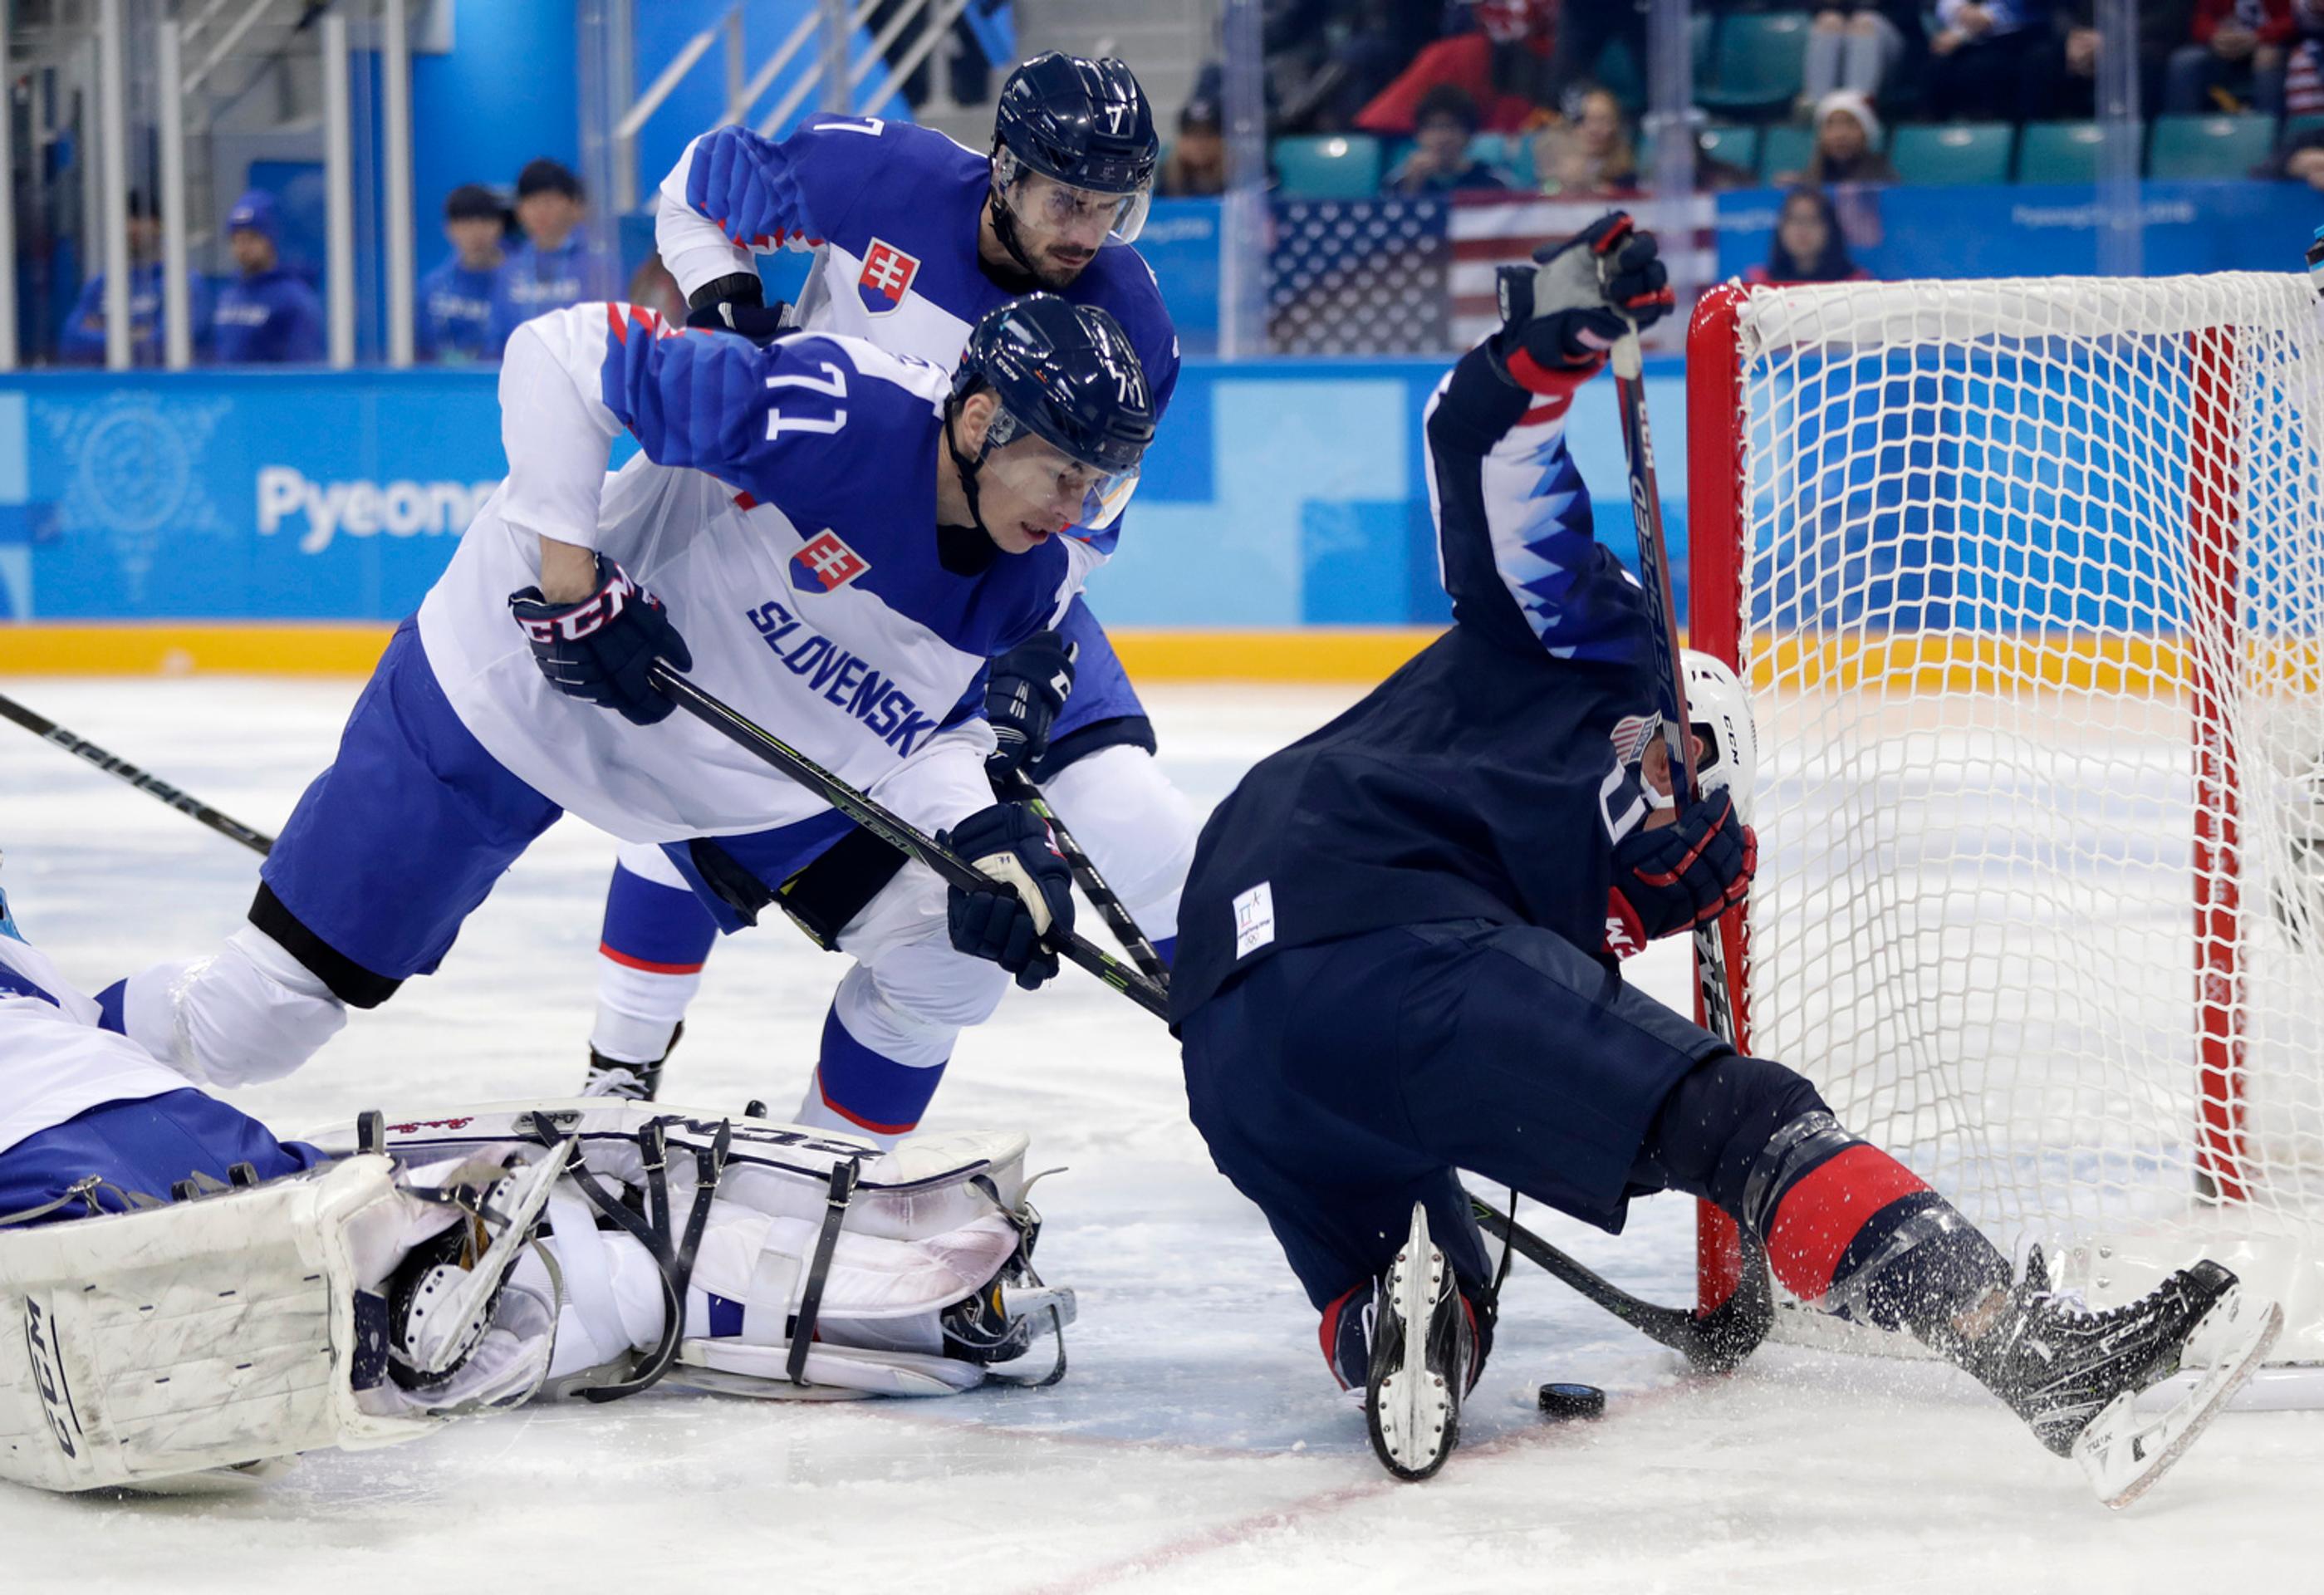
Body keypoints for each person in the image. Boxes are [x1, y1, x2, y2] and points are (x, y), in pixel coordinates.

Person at [1168, 212, 2282, 1491]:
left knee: (1422, 1259)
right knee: (1749, 1117)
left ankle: (1383, 1326)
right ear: (1684, 734)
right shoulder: (1594, 652)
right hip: (1385, 943)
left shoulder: (1530, 817)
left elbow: (1558, 947)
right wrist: (1552, 348)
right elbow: (1481, 458)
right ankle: (2032, 1353)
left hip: (1234, 1040)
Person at [98, 292, 1154, 1159]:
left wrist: (981, 832)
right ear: (979, 423)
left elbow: (929, 727)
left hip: (745, 771)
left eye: (1100, 482)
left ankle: (817, 1190)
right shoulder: (833, 409)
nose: (1077, 505)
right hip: (522, 688)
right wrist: (570, 580)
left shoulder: (1039, 566)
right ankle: (34, 1043)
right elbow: (561, 355)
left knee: (953, 947)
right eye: (1064, 471)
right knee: (249, 1026)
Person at [0, 862, 1068, 1494]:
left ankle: (631, 1283)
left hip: (65, 1148)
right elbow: (104, 1026)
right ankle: (678, 1275)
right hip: (150, 1120)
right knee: (444, 1247)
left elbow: (93, 1025)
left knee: (380, 1289)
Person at [591, 52, 1198, 1138]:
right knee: (693, 800)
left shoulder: (1132, 323)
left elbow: (1089, 518)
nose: (1088, 231)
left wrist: (1025, 640)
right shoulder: (876, 175)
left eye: (1114, 207)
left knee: (1133, 826)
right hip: (794, 542)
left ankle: (1258, 1018)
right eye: (1068, 198)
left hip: (998, 576)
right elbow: (695, 181)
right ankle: (617, 1071)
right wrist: (722, 288)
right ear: (1002, 167)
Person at [57, 191, 212, 366]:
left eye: (139, 219)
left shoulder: (185, 283)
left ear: (159, 225)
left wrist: (103, 331)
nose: (130, 228)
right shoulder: (101, 284)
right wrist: (137, 334)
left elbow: (163, 344)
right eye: (126, 220)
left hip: (167, 389)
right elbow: (70, 341)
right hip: (111, 389)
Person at [488, 159, 620, 353]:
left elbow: (614, 332)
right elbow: (496, 339)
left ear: (573, 205)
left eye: (549, 201)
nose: (540, 211)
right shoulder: (509, 270)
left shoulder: (599, 267)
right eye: (531, 202)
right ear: (519, 210)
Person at [210, 189, 326, 364]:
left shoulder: (294, 299)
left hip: (270, 390)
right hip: (229, 390)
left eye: (252, 238)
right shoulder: (230, 294)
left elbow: (303, 367)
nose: (243, 248)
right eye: (236, 239)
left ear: (271, 239)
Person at [418, 183, 508, 363]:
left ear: (499, 225)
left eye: (485, 221)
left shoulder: (518, 284)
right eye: (465, 223)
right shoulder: (432, 288)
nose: (476, 232)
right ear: (449, 228)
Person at [1928, 0, 2057, 121]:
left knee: (2037, 62)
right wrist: (1959, 9)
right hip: (1976, 37)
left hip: (2026, 36)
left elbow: (2015, 10)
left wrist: (1963, 33)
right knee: (1938, 63)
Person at [2165, 0, 2292, 114]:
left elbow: (2295, 18)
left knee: (2267, 59)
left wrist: (2260, 37)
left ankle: (2270, 132)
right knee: (2185, 61)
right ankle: (2182, 134)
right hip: (2226, 46)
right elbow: (2201, 17)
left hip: (2274, 43)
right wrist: (2214, 36)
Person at [1385, 85, 1510, 195]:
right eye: (1433, 127)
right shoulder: (1397, 183)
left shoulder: (1495, 182)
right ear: (1418, 135)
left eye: (1452, 126)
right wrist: (1411, 187)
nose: (1442, 138)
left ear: (1469, 135)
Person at [1744, 187, 1873, 285]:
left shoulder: (1855, 283)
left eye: (1812, 220)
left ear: (1830, 229)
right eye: (1795, 220)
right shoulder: (1759, 283)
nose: (1802, 229)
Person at [1802, 2, 1924, 103]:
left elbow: (1907, 16)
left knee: (1864, 23)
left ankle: (1857, 108)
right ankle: (1818, 104)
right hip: (1843, 33)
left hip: (1894, 45)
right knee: (1828, 21)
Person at [1531, 86, 1639, 199]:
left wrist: (1592, 185)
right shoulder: (1558, 163)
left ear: (1615, 124)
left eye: (1602, 120)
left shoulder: (1625, 172)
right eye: (1584, 120)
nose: (1593, 129)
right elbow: (1544, 190)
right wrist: (1561, 184)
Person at [1774, 91, 1898, 187]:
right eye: (1830, 125)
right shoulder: (1810, 180)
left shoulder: (1883, 178)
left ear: (1866, 134)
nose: (1840, 134)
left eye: (1851, 124)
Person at [1157, 96, 1227, 198]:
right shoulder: (1163, 183)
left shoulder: (1238, 186)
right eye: (1192, 135)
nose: (1200, 144)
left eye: (1207, 135)